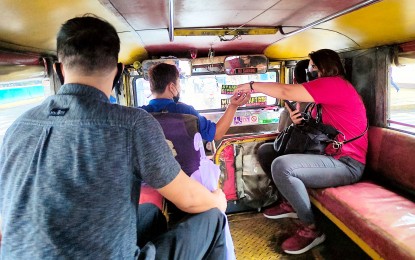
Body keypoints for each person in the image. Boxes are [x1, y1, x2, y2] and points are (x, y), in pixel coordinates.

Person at [0, 14, 228, 259]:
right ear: (119, 73)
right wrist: (219, 200)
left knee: (150, 213)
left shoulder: (17, 127)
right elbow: (190, 200)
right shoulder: (132, 124)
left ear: (58, 70)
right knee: (213, 217)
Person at [234, 49, 368, 255]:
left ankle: (312, 229)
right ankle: (290, 203)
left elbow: (287, 91)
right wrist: (299, 120)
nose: (311, 71)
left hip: (347, 163)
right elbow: (319, 128)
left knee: (283, 166)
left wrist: (252, 86)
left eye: (313, 66)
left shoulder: (336, 85)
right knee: (267, 151)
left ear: (325, 67)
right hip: (326, 155)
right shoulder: (321, 99)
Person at [141, 63, 250, 142]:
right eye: (179, 83)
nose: (180, 87)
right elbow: (216, 134)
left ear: (151, 87)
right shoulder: (184, 111)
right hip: (183, 172)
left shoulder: (139, 114)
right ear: (172, 87)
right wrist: (233, 106)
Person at [257, 59, 310, 176]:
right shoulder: (324, 100)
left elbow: (281, 132)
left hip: (305, 150)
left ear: (294, 81)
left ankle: (279, 189)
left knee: (266, 151)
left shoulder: (292, 106)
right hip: (313, 147)